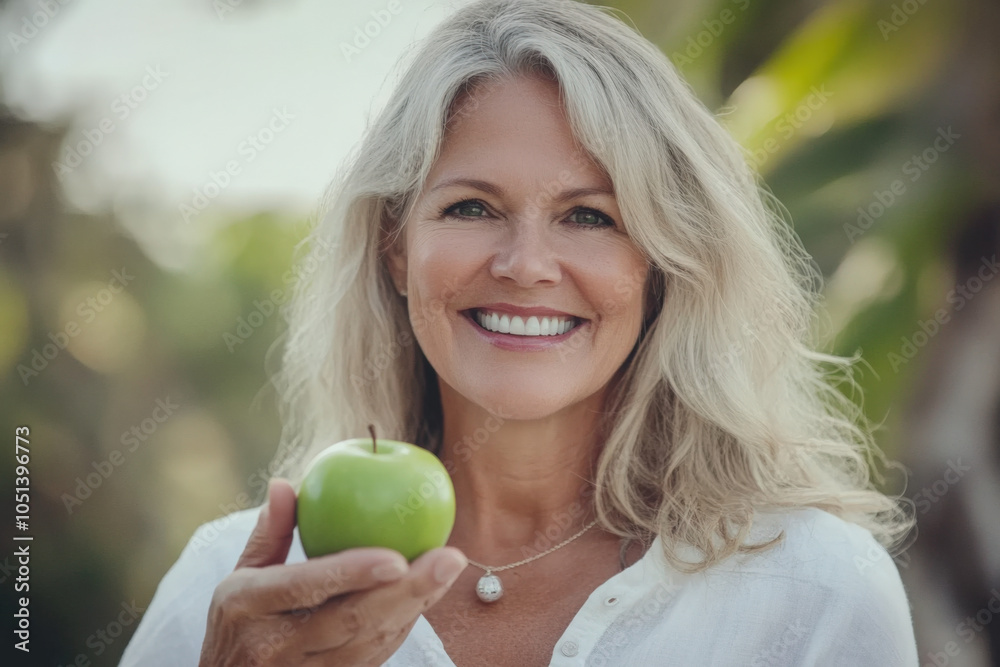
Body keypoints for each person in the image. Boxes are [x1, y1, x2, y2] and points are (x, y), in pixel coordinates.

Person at [120, 0, 919, 665]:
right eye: (472, 207)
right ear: (397, 248)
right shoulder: (227, 594)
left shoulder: (819, 592)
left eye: (589, 216)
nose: (527, 264)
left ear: (662, 264)